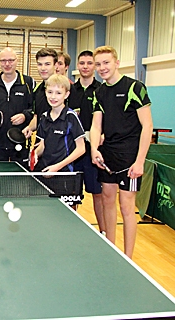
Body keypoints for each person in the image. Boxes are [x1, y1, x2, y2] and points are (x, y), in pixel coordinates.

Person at [91, 45, 153, 258]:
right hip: (108, 154)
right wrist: (93, 150)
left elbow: (147, 126)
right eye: (98, 64)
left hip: (130, 157)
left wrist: (140, 161)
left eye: (106, 63)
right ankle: (111, 250)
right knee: (107, 200)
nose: (102, 68)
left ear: (117, 63)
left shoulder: (135, 88)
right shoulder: (99, 92)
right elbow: (96, 125)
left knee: (127, 206)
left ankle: (128, 258)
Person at [68, 50, 104, 233]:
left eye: (89, 63)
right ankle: (70, 230)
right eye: (82, 63)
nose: (85, 66)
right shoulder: (70, 91)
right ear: (77, 66)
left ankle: (103, 232)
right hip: (72, 151)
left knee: (97, 193)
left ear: (94, 66)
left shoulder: (102, 90)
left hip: (92, 150)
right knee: (71, 194)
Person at [0, 47, 34, 162]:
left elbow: (35, 108)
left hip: (20, 141)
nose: (7, 64)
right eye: (3, 61)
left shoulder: (28, 83)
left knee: (20, 179)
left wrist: (25, 115)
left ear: (17, 61)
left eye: (11, 60)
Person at [33, 74, 85, 172]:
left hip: (64, 172)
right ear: (45, 92)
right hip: (45, 170)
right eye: (50, 92)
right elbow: (43, 144)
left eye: (58, 93)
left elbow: (81, 148)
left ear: (66, 94)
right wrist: (35, 153)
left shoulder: (71, 116)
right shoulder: (44, 117)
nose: (53, 97)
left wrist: (57, 167)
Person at [23, 48, 58, 139]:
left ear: (56, 65)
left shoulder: (67, 88)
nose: (43, 68)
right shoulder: (37, 90)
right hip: (41, 142)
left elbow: (74, 120)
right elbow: (36, 116)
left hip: (61, 146)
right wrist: (29, 128)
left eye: (47, 64)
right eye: (40, 64)